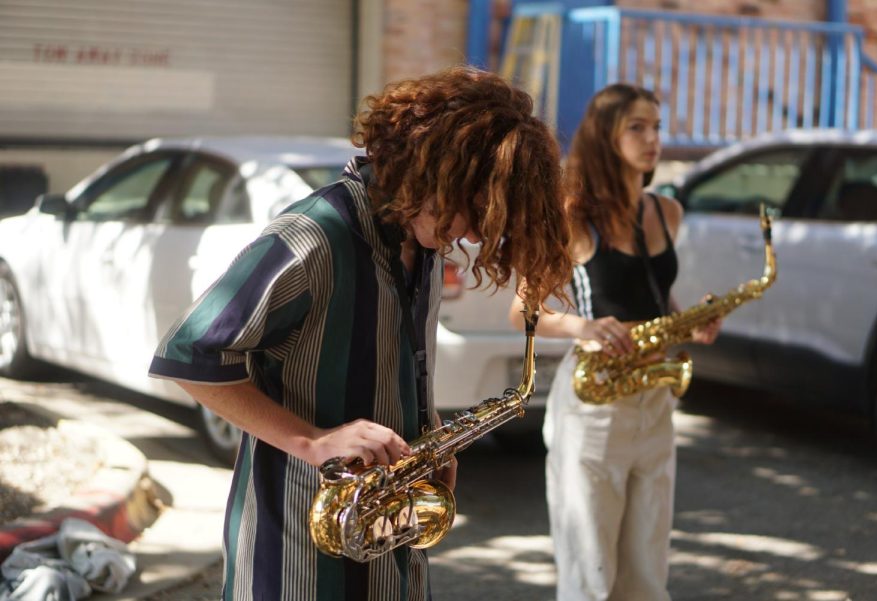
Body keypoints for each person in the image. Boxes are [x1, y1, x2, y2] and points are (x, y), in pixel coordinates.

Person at [148, 65, 571, 601]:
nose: (472, 232)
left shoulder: (424, 243)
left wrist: (432, 433)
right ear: (433, 169)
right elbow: (187, 355)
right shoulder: (315, 235)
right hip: (298, 554)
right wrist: (316, 441)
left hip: (388, 538)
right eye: (473, 206)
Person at [508, 83, 721, 601]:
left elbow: (655, 297)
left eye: (657, 127)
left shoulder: (667, 213)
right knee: (590, 570)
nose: (653, 139)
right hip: (594, 404)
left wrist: (690, 323)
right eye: (637, 127)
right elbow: (522, 310)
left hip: (655, 398)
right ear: (606, 136)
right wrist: (584, 327)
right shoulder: (573, 213)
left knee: (647, 571)